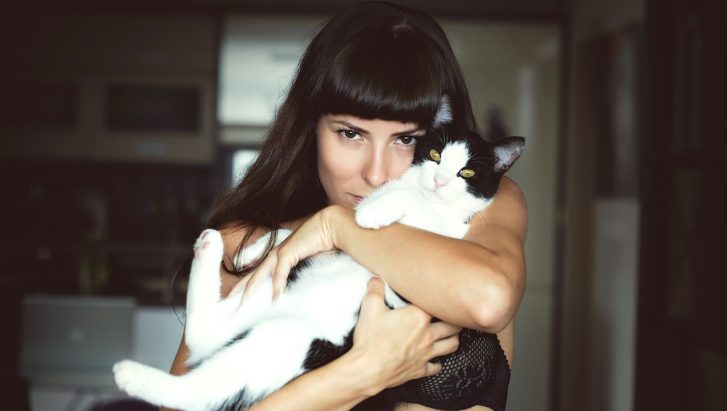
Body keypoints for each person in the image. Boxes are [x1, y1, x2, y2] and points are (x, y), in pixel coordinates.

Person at [165, 2, 527, 410]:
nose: (376, 174)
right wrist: (357, 375)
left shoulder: (481, 218)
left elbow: (489, 298)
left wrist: (337, 226)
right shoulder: (246, 246)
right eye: (351, 133)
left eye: (406, 139)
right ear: (311, 127)